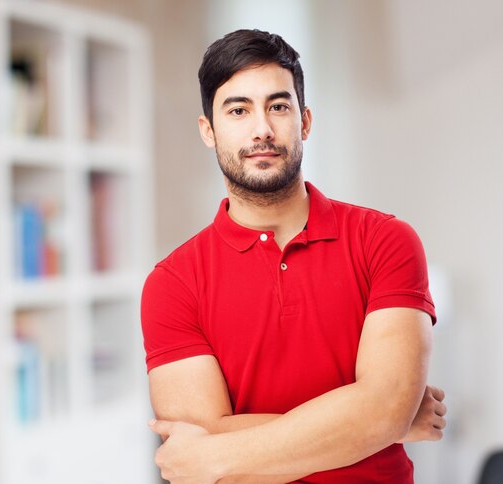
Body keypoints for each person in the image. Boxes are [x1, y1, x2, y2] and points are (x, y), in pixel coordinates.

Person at [141, 29, 447, 483]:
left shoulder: (386, 240)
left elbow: (386, 407)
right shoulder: (172, 283)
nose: (261, 128)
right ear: (209, 130)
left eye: (278, 106)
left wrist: (386, 415)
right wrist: (375, 424)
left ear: (304, 122)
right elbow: (199, 444)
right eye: (238, 110)